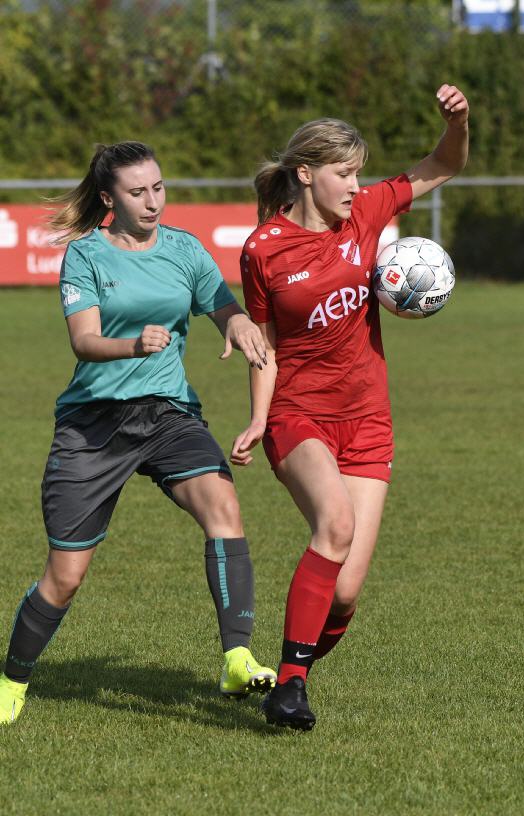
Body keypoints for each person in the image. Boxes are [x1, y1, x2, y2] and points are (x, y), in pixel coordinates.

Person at [0, 141, 276, 725]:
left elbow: (224, 308)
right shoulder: (86, 255)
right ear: (109, 199)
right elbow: (83, 341)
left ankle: (237, 657)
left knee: (223, 508)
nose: (152, 201)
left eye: (158, 187)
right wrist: (133, 344)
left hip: (168, 414)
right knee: (65, 577)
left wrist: (240, 324)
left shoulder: (185, 249)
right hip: (93, 426)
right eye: (137, 192)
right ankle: (12, 680)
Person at [231, 84, 469, 730]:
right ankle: (290, 691)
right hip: (297, 416)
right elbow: (265, 346)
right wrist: (259, 418)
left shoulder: (365, 214)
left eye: (359, 173)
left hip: (367, 422)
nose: (356, 185)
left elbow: (443, 164)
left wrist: (458, 122)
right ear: (306, 174)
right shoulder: (262, 249)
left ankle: (290, 677)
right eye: (344, 173)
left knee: (344, 592)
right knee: (333, 526)